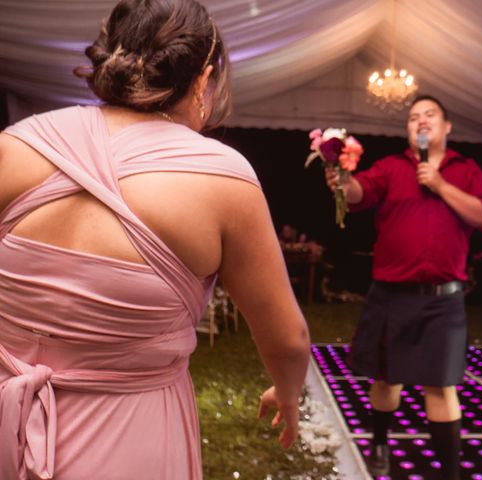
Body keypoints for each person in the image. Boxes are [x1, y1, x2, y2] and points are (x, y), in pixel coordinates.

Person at [0, 1, 310, 479]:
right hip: (128, 435)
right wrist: (288, 392)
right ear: (204, 79)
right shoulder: (223, 179)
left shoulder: (16, 143)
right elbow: (288, 340)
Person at [325, 95, 482, 479]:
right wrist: (343, 180)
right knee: (387, 380)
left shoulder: (466, 169)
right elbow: (358, 194)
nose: (420, 122)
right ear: (407, 130)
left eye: (429, 115)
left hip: (443, 301)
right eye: (413, 118)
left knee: (441, 387)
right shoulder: (391, 167)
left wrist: (439, 184)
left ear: (447, 126)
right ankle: (381, 442)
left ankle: (450, 472)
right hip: (391, 295)